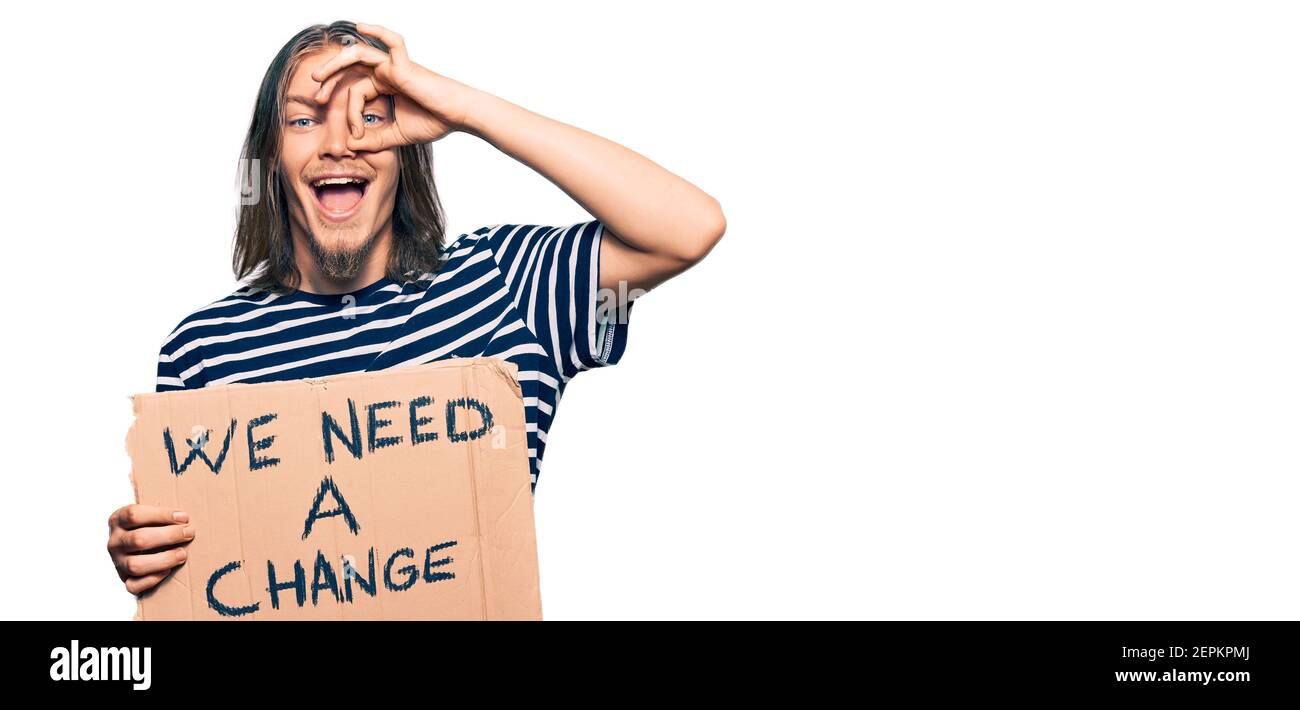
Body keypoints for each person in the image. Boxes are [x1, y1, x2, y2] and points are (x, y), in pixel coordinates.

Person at [106, 20, 725, 597]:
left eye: (371, 116)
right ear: (270, 163)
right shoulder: (204, 348)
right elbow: (204, 573)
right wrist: (149, 552)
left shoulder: (504, 284)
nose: (339, 144)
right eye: (304, 121)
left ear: (407, 148)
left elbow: (687, 229)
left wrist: (464, 110)